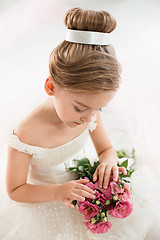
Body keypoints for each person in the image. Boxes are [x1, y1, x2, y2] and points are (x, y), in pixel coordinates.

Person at [0, 7, 159, 240]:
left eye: (99, 109)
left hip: (85, 194)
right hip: (49, 201)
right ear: (51, 87)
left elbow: (106, 149)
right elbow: (15, 190)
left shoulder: (89, 113)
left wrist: (108, 161)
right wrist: (58, 191)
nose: (88, 118)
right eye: (80, 108)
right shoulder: (25, 134)